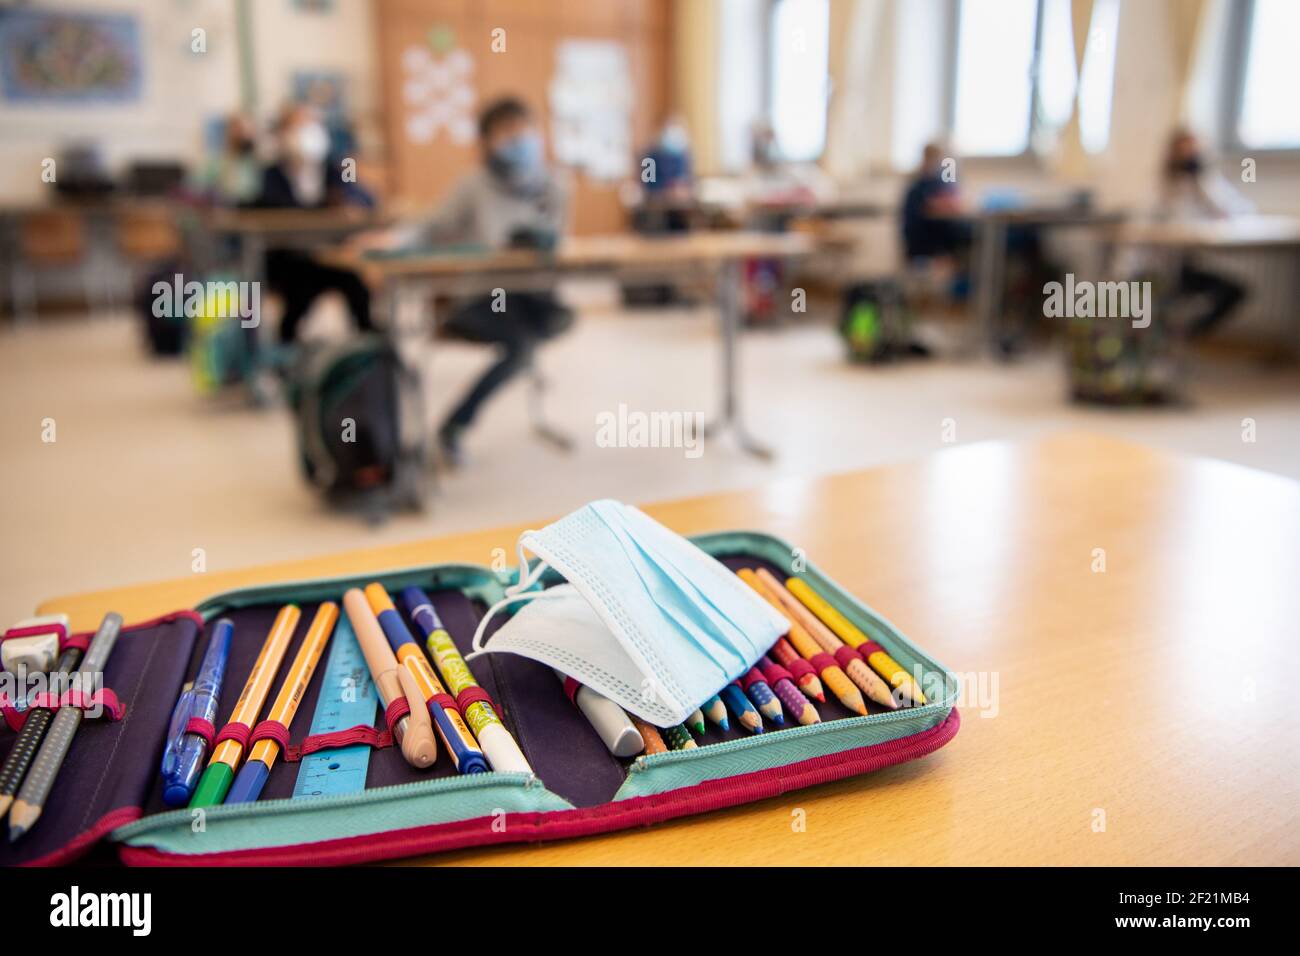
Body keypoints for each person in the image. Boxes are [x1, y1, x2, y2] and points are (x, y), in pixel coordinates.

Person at [383, 95, 573, 466]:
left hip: (536, 297)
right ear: (488, 141)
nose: (520, 139)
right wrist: (394, 239)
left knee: (538, 334)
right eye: (507, 132)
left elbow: (557, 239)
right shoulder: (473, 186)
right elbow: (431, 226)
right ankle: (454, 426)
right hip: (483, 298)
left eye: (525, 130)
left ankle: (457, 425)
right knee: (521, 350)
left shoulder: (555, 184)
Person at [254, 103, 375, 345]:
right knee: (298, 292)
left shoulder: (339, 166)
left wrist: (348, 200)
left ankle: (368, 351)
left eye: (311, 125)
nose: (307, 132)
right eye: (298, 126)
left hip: (327, 256)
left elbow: (363, 195)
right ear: (282, 134)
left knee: (357, 288)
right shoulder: (270, 174)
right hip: (287, 259)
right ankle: (286, 348)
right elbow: (268, 206)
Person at [1156, 128, 1250, 337]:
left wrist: (1203, 183)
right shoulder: (1162, 186)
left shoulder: (1208, 183)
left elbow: (1239, 211)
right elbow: (1170, 221)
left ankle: (1188, 335)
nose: (1189, 158)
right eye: (1184, 153)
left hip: (1195, 264)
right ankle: (1173, 336)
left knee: (1236, 291)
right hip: (1166, 267)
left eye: (1194, 153)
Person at [900, 142, 968, 264]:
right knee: (958, 236)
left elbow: (950, 200)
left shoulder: (935, 179)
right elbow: (938, 204)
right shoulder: (921, 181)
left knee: (964, 233)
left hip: (930, 231)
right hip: (922, 235)